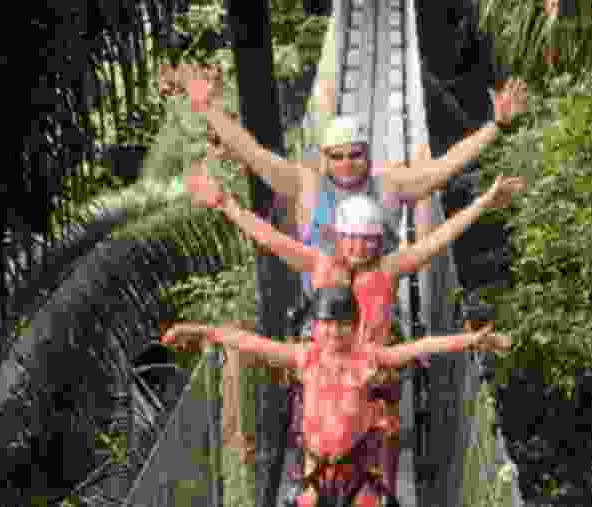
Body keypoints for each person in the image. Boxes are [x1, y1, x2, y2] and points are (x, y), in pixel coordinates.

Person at [185, 168, 522, 488]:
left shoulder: (389, 268)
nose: (360, 248)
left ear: (380, 241)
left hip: (374, 367)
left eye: (368, 241)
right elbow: (269, 239)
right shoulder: (320, 264)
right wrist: (226, 204)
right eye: (352, 239)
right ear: (337, 237)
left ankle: (379, 487)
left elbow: (439, 238)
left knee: (382, 440)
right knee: (319, 433)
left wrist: (483, 203)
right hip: (328, 365)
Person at [159, 286, 512, 507]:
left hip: (358, 468)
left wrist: (472, 341)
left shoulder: (370, 358)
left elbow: (422, 345)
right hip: (316, 469)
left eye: (343, 323)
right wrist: (197, 330)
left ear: (356, 326)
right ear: (315, 326)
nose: (334, 331)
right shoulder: (305, 356)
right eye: (326, 323)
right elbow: (248, 342)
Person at [180, 67, 528, 257]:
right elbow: (253, 153)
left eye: (354, 155)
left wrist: (495, 126)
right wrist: (208, 107)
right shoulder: (308, 184)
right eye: (338, 157)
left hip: (376, 303)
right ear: (325, 160)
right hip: (327, 314)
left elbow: (447, 165)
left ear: (368, 154)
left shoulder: (390, 185)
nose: (347, 164)